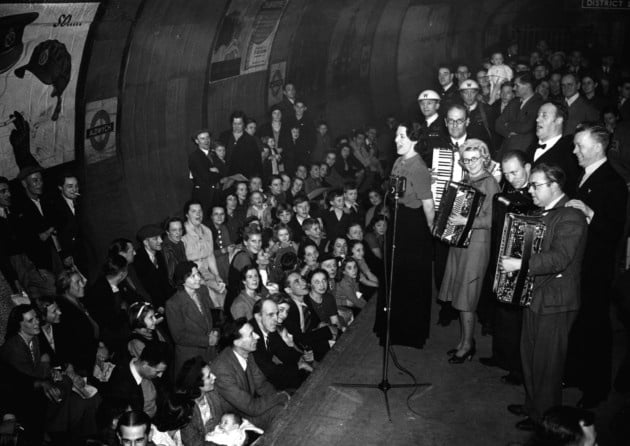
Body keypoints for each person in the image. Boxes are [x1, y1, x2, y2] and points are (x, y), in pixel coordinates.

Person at [501, 163, 587, 431]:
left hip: (556, 300)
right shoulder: (544, 212)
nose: (530, 191)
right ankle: (532, 406)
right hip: (536, 295)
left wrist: (520, 264)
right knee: (530, 357)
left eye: (536, 186)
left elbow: (560, 258)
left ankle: (545, 420)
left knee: (548, 365)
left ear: (555, 185)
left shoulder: (571, 216)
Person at [565, 123, 628, 408]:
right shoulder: (586, 174)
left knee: (596, 327)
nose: (575, 150)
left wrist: (590, 213)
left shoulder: (612, 182)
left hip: (597, 267)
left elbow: (614, 231)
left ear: (598, 147)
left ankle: (596, 388)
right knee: (580, 323)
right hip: (581, 262)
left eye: (580, 145)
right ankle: (577, 374)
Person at [478, 150, 536, 385]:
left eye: (516, 172)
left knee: (517, 317)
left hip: (521, 261)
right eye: (507, 172)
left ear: (528, 168)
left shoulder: (534, 196)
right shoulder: (504, 193)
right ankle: (500, 356)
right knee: (500, 309)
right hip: (499, 256)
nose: (511, 177)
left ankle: (517, 368)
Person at [439, 139, 499, 363]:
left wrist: (466, 220)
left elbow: (492, 219)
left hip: (477, 245)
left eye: (474, 159)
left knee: (467, 297)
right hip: (460, 243)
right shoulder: (467, 179)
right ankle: (464, 341)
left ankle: (467, 345)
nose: (470, 163)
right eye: (466, 160)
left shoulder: (490, 183)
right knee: (460, 293)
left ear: (484, 157)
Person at [376, 121, 434, 349]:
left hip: (413, 227)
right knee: (394, 276)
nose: (396, 140)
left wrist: (432, 231)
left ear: (415, 139)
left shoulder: (418, 167)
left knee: (410, 279)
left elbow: (428, 205)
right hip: (398, 223)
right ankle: (392, 329)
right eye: (397, 136)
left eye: (402, 136)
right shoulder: (399, 161)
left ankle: (408, 334)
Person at [213, 318, 290, 430]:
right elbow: (251, 408)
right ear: (237, 342)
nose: (257, 336)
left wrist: (281, 396)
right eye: (251, 335)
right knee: (282, 412)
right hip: (236, 419)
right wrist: (280, 396)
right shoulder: (222, 369)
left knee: (289, 402)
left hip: (252, 406)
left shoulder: (247, 353)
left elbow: (261, 385)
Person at [166, 261, 217, 377]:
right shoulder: (173, 304)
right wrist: (206, 340)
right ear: (182, 281)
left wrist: (215, 332)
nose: (198, 278)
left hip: (210, 352)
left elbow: (213, 315)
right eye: (192, 276)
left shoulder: (202, 291)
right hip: (191, 357)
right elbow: (179, 336)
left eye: (198, 274)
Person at [250, 297, 310, 390]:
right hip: (258, 385)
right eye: (270, 315)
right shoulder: (251, 336)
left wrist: (301, 358)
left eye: (276, 314)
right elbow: (269, 370)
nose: (276, 319)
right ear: (258, 316)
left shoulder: (268, 327)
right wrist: (298, 366)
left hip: (272, 375)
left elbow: (283, 351)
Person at [181, 200, 226, 309]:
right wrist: (204, 281)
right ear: (187, 214)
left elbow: (210, 255)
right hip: (192, 275)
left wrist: (216, 275)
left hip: (206, 272)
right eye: (194, 211)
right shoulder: (182, 232)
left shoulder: (207, 231)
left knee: (223, 291)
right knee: (211, 297)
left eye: (200, 211)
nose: (198, 214)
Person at [528, 101, 580, 193]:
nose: (537, 120)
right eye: (538, 115)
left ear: (559, 120)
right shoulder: (530, 148)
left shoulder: (570, 153)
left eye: (544, 115)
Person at [175, 356, 224, 445]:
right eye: (209, 376)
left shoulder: (213, 392)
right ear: (197, 384)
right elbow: (194, 442)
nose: (214, 377)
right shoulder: (184, 408)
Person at [495, 72, 544, 154]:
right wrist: (508, 133)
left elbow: (527, 126)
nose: (514, 88)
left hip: (524, 151)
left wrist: (508, 124)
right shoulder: (514, 102)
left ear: (527, 86)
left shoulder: (538, 104)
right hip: (506, 148)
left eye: (517, 85)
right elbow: (498, 123)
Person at [134, 224, 174, 312]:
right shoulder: (138, 260)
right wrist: (158, 305)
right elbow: (147, 287)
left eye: (160, 237)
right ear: (145, 242)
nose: (160, 241)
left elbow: (164, 281)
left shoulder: (159, 254)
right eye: (155, 238)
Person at [188, 129, 222, 213]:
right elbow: (206, 177)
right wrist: (217, 172)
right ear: (196, 141)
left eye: (207, 138)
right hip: (204, 195)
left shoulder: (213, 153)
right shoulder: (195, 156)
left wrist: (216, 171)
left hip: (216, 194)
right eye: (203, 138)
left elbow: (224, 171)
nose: (206, 141)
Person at [161, 217, 187, 287]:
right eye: (174, 230)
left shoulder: (180, 243)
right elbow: (171, 275)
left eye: (180, 229)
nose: (178, 233)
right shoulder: (166, 248)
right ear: (167, 232)